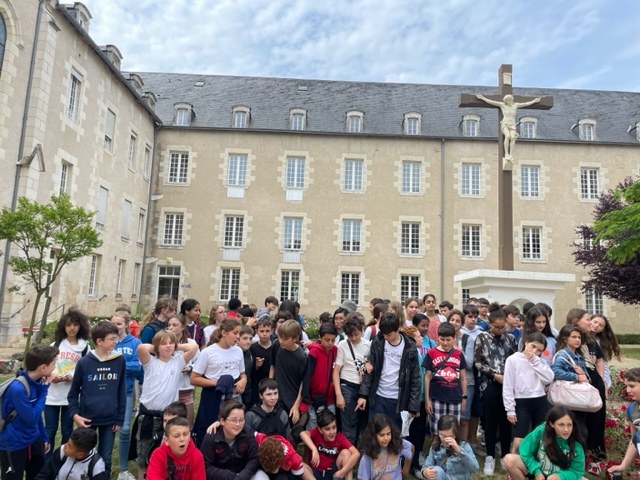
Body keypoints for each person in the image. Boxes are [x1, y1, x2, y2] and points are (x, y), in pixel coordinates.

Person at [67, 321, 126, 478]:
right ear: (99, 341)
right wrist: (75, 415)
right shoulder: (84, 362)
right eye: (112, 339)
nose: (116, 341)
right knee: (82, 456)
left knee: (105, 459)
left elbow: (121, 392)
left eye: (116, 338)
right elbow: (72, 394)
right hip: (86, 420)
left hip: (110, 420)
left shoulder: (119, 360)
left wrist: (119, 418)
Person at [137, 330, 198, 479]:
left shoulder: (178, 361)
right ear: (157, 346)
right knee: (143, 458)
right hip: (149, 416)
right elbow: (141, 348)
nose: (168, 346)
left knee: (167, 456)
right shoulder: (150, 361)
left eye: (171, 343)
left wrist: (175, 346)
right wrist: (158, 346)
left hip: (169, 417)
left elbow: (194, 347)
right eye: (164, 343)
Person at [0, 344, 58, 480]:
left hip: (33, 439)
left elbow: (37, 417)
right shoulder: (18, 389)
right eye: (54, 364)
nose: (55, 367)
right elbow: (31, 418)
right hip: (13, 443)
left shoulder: (38, 381)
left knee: (38, 476)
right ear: (43, 367)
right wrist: (44, 391)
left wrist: (43, 437)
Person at [356, 312, 421, 430]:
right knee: (375, 432)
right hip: (378, 396)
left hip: (398, 399)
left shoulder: (410, 347)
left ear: (398, 330)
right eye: (384, 334)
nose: (386, 337)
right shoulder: (378, 342)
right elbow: (370, 370)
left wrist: (413, 406)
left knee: (394, 433)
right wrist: (363, 395)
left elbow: (415, 378)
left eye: (389, 334)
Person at [474, 309, 517, 475]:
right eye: (496, 327)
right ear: (490, 324)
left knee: (506, 422)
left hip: (508, 385)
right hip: (489, 384)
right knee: (490, 422)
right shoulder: (482, 338)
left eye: (502, 327)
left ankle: (505, 455)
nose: (500, 330)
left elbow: (514, 360)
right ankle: (490, 456)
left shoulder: (510, 338)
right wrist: (494, 375)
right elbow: (478, 362)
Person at [191, 318, 245, 444]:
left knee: (234, 430)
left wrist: (243, 380)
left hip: (234, 397)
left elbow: (242, 374)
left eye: (239, 333)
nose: (238, 336)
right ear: (224, 333)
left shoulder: (238, 350)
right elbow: (194, 378)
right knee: (211, 431)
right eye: (235, 333)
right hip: (213, 396)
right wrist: (218, 383)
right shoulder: (208, 352)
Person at [45, 310, 90, 458]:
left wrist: (74, 378)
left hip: (71, 397)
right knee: (49, 431)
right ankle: (47, 463)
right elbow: (46, 367)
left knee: (67, 431)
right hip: (52, 396)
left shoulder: (85, 347)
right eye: (68, 325)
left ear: (81, 326)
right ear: (63, 326)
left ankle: (63, 460)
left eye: (75, 325)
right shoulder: (56, 345)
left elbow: (87, 371)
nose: (72, 328)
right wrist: (52, 376)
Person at [566, 308, 606, 463]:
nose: (591, 323)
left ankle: (595, 454)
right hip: (579, 386)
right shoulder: (569, 338)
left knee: (597, 420)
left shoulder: (590, 339)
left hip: (594, 384)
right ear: (576, 320)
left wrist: (600, 379)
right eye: (588, 319)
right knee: (580, 421)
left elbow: (600, 359)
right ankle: (578, 456)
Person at [503, 332, 554, 453]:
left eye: (539, 350)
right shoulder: (513, 360)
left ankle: (535, 463)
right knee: (518, 440)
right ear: (526, 343)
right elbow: (508, 386)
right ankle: (513, 462)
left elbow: (549, 378)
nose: (535, 351)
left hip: (540, 401)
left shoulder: (540, 362)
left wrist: (535, 361)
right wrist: (510, 409)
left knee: (540, 438)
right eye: (533, 346)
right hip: (522, 402)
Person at [503, 406, 585, 480]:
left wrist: (560, 476)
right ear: (551, 424)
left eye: (569, 425)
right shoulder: (542, 431)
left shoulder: (576, 445)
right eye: (561, 425)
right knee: (509, 460)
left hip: (558, 477)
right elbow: (525, 451)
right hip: (539, 470)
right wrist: (536, 471)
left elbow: (577, 471)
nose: (566, 430)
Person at [112, 311, 142, 480]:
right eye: (113, 323)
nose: (115, 327)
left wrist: (117, 362)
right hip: (107, 392)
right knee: (106, 429)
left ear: (126, 325)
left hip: (126, 391)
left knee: (124, 429)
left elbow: (137, 367)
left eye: (118, 324)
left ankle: (123, 469)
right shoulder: (108, 340)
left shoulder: (135, 343)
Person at [424, 322, 467, 436]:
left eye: (448, 340)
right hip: (437, 397)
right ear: (438, 338)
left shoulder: (459, 354)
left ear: (454, 338)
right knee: (436, 429)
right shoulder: (432, 353)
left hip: (455, 397)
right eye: (442, 339)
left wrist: (464, 398)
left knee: (453, 429)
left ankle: (452, 447)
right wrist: (427, 400)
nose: (445, 343)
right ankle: (436, 447)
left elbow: (463, 378)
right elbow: (427, 377)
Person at [333, 312, 370, 444]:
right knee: (348, 425)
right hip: (347, 387)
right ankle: (348, 451)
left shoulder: (368, 345)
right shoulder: (343, 345)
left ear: (362, 330)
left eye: (356, 334)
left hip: (363, 389)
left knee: (362, 424)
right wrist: (338, 395)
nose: (353, 338)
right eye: (350, 335)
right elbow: (336, 371)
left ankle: (359, 451)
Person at [269, 319, 309, 440]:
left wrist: (296, 405)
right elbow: (272, 365)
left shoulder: (301, 357)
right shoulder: (276, 345)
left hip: (292, 400)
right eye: (279, 337)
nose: (281, 341)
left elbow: (303, 382)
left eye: (285, 339)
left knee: (291, 435)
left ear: (295, 339)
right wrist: (269, 386)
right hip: (276, 396)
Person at [200, 399, 259, 480]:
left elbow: (254, 458)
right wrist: (229, 476)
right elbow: (206, 466)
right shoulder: (211, 436)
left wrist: (242, 477)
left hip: (244, 475)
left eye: (241, 420)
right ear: (222, 421)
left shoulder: (248, 432)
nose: (238, 424)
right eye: (234, 420)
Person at [475, 93, 542, 160]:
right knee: (507, 136)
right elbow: (492, 102)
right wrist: (482, 98)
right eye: (507, 101)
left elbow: (525, 104)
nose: (508, 102)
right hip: (505, 123)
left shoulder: (515, 105)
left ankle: (511, 154)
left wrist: (534, 101)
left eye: (509, 100)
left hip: (512, 124)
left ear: (511, 100)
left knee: (513, 138)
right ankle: (506, 153)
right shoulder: (502, 105)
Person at [299, 409, 359, 480]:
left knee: (346, 453)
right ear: (320, 430)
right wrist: (314, 449)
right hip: (315, 473)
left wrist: (342, 472)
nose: (332, 432)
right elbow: (302, 434)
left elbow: (356, 453)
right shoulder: (316, 433)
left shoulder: (339, 438)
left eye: (334, 427)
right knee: (301, 465)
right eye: (327, 429)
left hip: (332, 473)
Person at [35, 427, 107, 480]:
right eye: (67, 442)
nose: (64, 446)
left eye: (69, 446)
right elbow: (44, 474)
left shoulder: (96, 466)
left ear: (80, 454)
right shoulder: (62, 451)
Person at [421, 415, 478, 480]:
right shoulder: (435, 446)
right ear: (438, 432)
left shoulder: (464, 446)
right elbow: (427, 465)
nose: (446, 440)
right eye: (442, 435)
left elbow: (475, 468)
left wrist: (459, 451)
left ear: (456, 434)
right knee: (436, 470)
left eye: (450, 436)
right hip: (443, 477)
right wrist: (425, 472)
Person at [357, 413, 413, 480]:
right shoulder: (367, 456)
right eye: (382, 435)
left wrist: (405, 471)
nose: (386, 438)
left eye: (388, 434)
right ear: (373, 435)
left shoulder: (396, 443)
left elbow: (411, 447)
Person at [167, 314, 200, 426]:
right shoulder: (165, 343)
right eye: (169, 325)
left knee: (187, 423)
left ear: (182, 327)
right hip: (169, 387)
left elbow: (199, 362)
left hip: (185, 387)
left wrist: (190, 368)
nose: (171, 327)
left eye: (174, 325)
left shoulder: (191, 343)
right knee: (170, 423)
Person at [608, 368, 640, 476]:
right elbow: (635, 439)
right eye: (626, 386)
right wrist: (623, 465)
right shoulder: (632, 409)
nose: (628, 390)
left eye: (632, 386)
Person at [307, 323, 337, 429]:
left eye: (333, 340)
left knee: (330, 423)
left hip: (329, 396)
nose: (330, 343)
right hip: (315, 397)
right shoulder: (314, 352)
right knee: (314, 422)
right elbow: (307, 375)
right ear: (320, 337)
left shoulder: (335, 350)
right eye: (327, 340)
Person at [459, 305, 480, 445]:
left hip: (470, 379)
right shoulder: (449, 335)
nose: (473, 319)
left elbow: (468, 363)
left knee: (466, 416)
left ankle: (465, 446)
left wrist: (458, 350)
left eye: (475, 317)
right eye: (470, 316)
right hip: (451, 379)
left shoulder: (477, 334)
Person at [590, 314, 621, 390]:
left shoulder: (601, 342)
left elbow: (604, 363)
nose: (596, 325)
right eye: (595, 322)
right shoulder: (579, 337)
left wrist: (605, 382)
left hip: (597, 377)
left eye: (600, 325)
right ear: (589, 321)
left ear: (603, 329)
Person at [250, 316, 274, 407]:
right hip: (257, 386)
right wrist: (256, 366)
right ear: (256, 332)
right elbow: (250, 371)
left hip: (272, 385)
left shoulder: (275, 347)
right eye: (262, 331)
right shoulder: (252, 348)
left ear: (272, 331)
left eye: (267, 331)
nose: (264, 334)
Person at [238, 325, 255, 408]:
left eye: (250, 339)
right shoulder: (233, 353)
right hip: (236, 391)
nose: (248, 341)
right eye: (245, 338)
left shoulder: (250, 353)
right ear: (238, 339)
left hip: (247, 391)